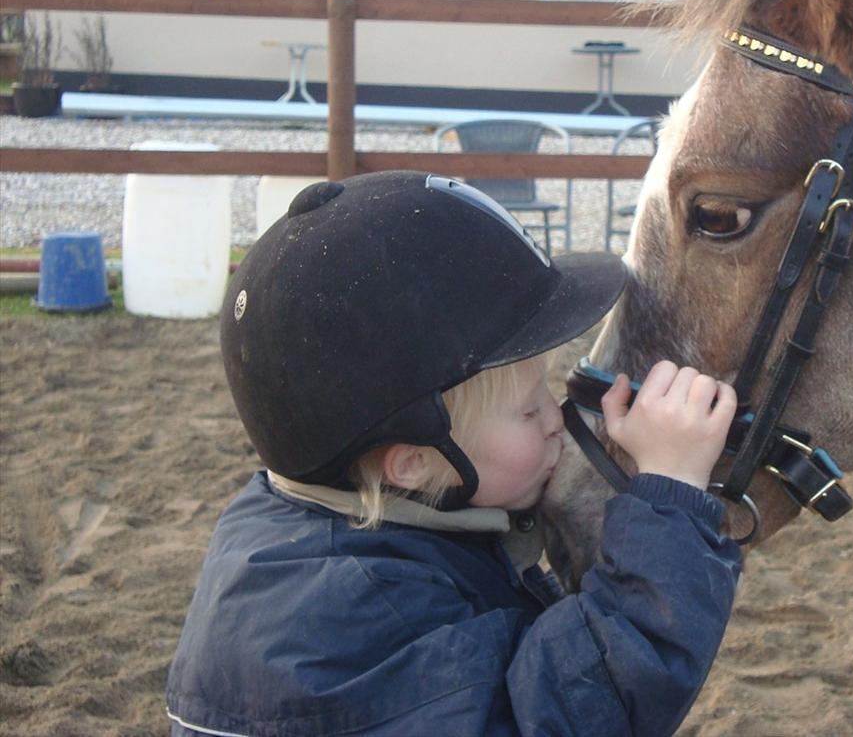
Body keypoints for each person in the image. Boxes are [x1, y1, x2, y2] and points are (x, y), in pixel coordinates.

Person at [166, 171, 742, 737]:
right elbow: (579, 710)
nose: (556, 418)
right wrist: (671, 489)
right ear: (414, 461)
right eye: (525, 409)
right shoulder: (364, 621)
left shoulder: (303, 534)